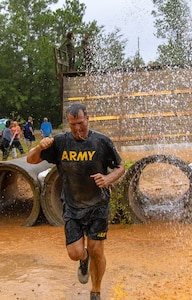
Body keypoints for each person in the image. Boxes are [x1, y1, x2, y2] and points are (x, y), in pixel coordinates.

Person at [26, 103, 125, 300]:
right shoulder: (61, 142)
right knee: (75, 253)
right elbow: (31, 160)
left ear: (88, 118)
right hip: (72, 206)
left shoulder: (102, 142)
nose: (78, 128)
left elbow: (120, 167)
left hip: (98, 205)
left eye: (80, 123)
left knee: (97, 250)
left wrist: (107, 179)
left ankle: (95, 291)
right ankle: (83, 258)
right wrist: (39, 147)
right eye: (73, 125)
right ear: (68, 123)